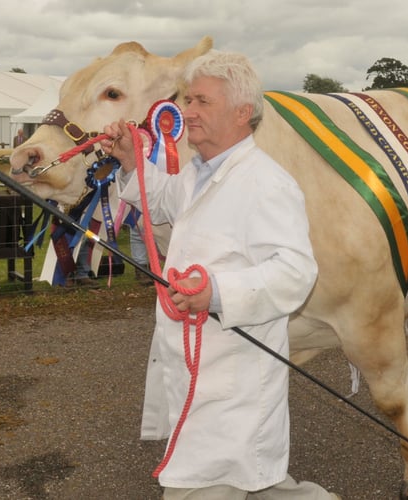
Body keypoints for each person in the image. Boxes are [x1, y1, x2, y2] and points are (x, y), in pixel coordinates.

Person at [102, 51, 338, 499]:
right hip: (199, 369)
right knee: (259, 484)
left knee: (209, 482)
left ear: (241, 113)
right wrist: (132, 161)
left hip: (233, 379)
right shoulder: (198, 173)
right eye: (188, 100)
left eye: (202, 102)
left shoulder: (266, 183)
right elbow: (166, 200)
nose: (187, 112)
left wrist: (217, 292)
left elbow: (296, 273)